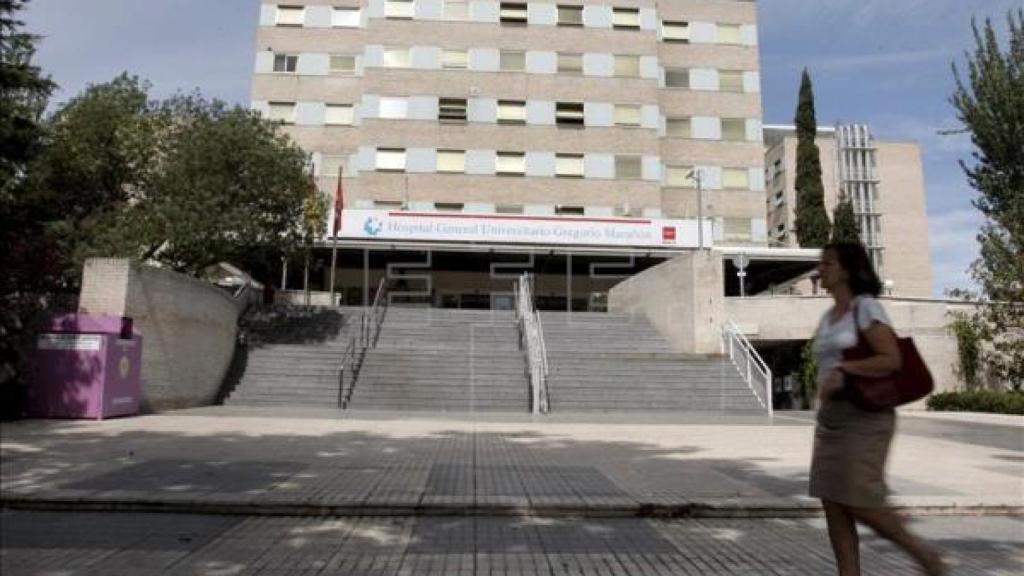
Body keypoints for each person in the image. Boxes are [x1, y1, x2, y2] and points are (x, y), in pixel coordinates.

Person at [809, 242, 945, 576]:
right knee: (834, 501)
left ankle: (926, 557)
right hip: (832, 419)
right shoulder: (829, 317)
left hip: (865, 417)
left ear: (846, 270)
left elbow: (891, 359)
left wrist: (846, 371)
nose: (820, 269)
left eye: (828, 264)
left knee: (859, 499)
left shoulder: (865, 307)